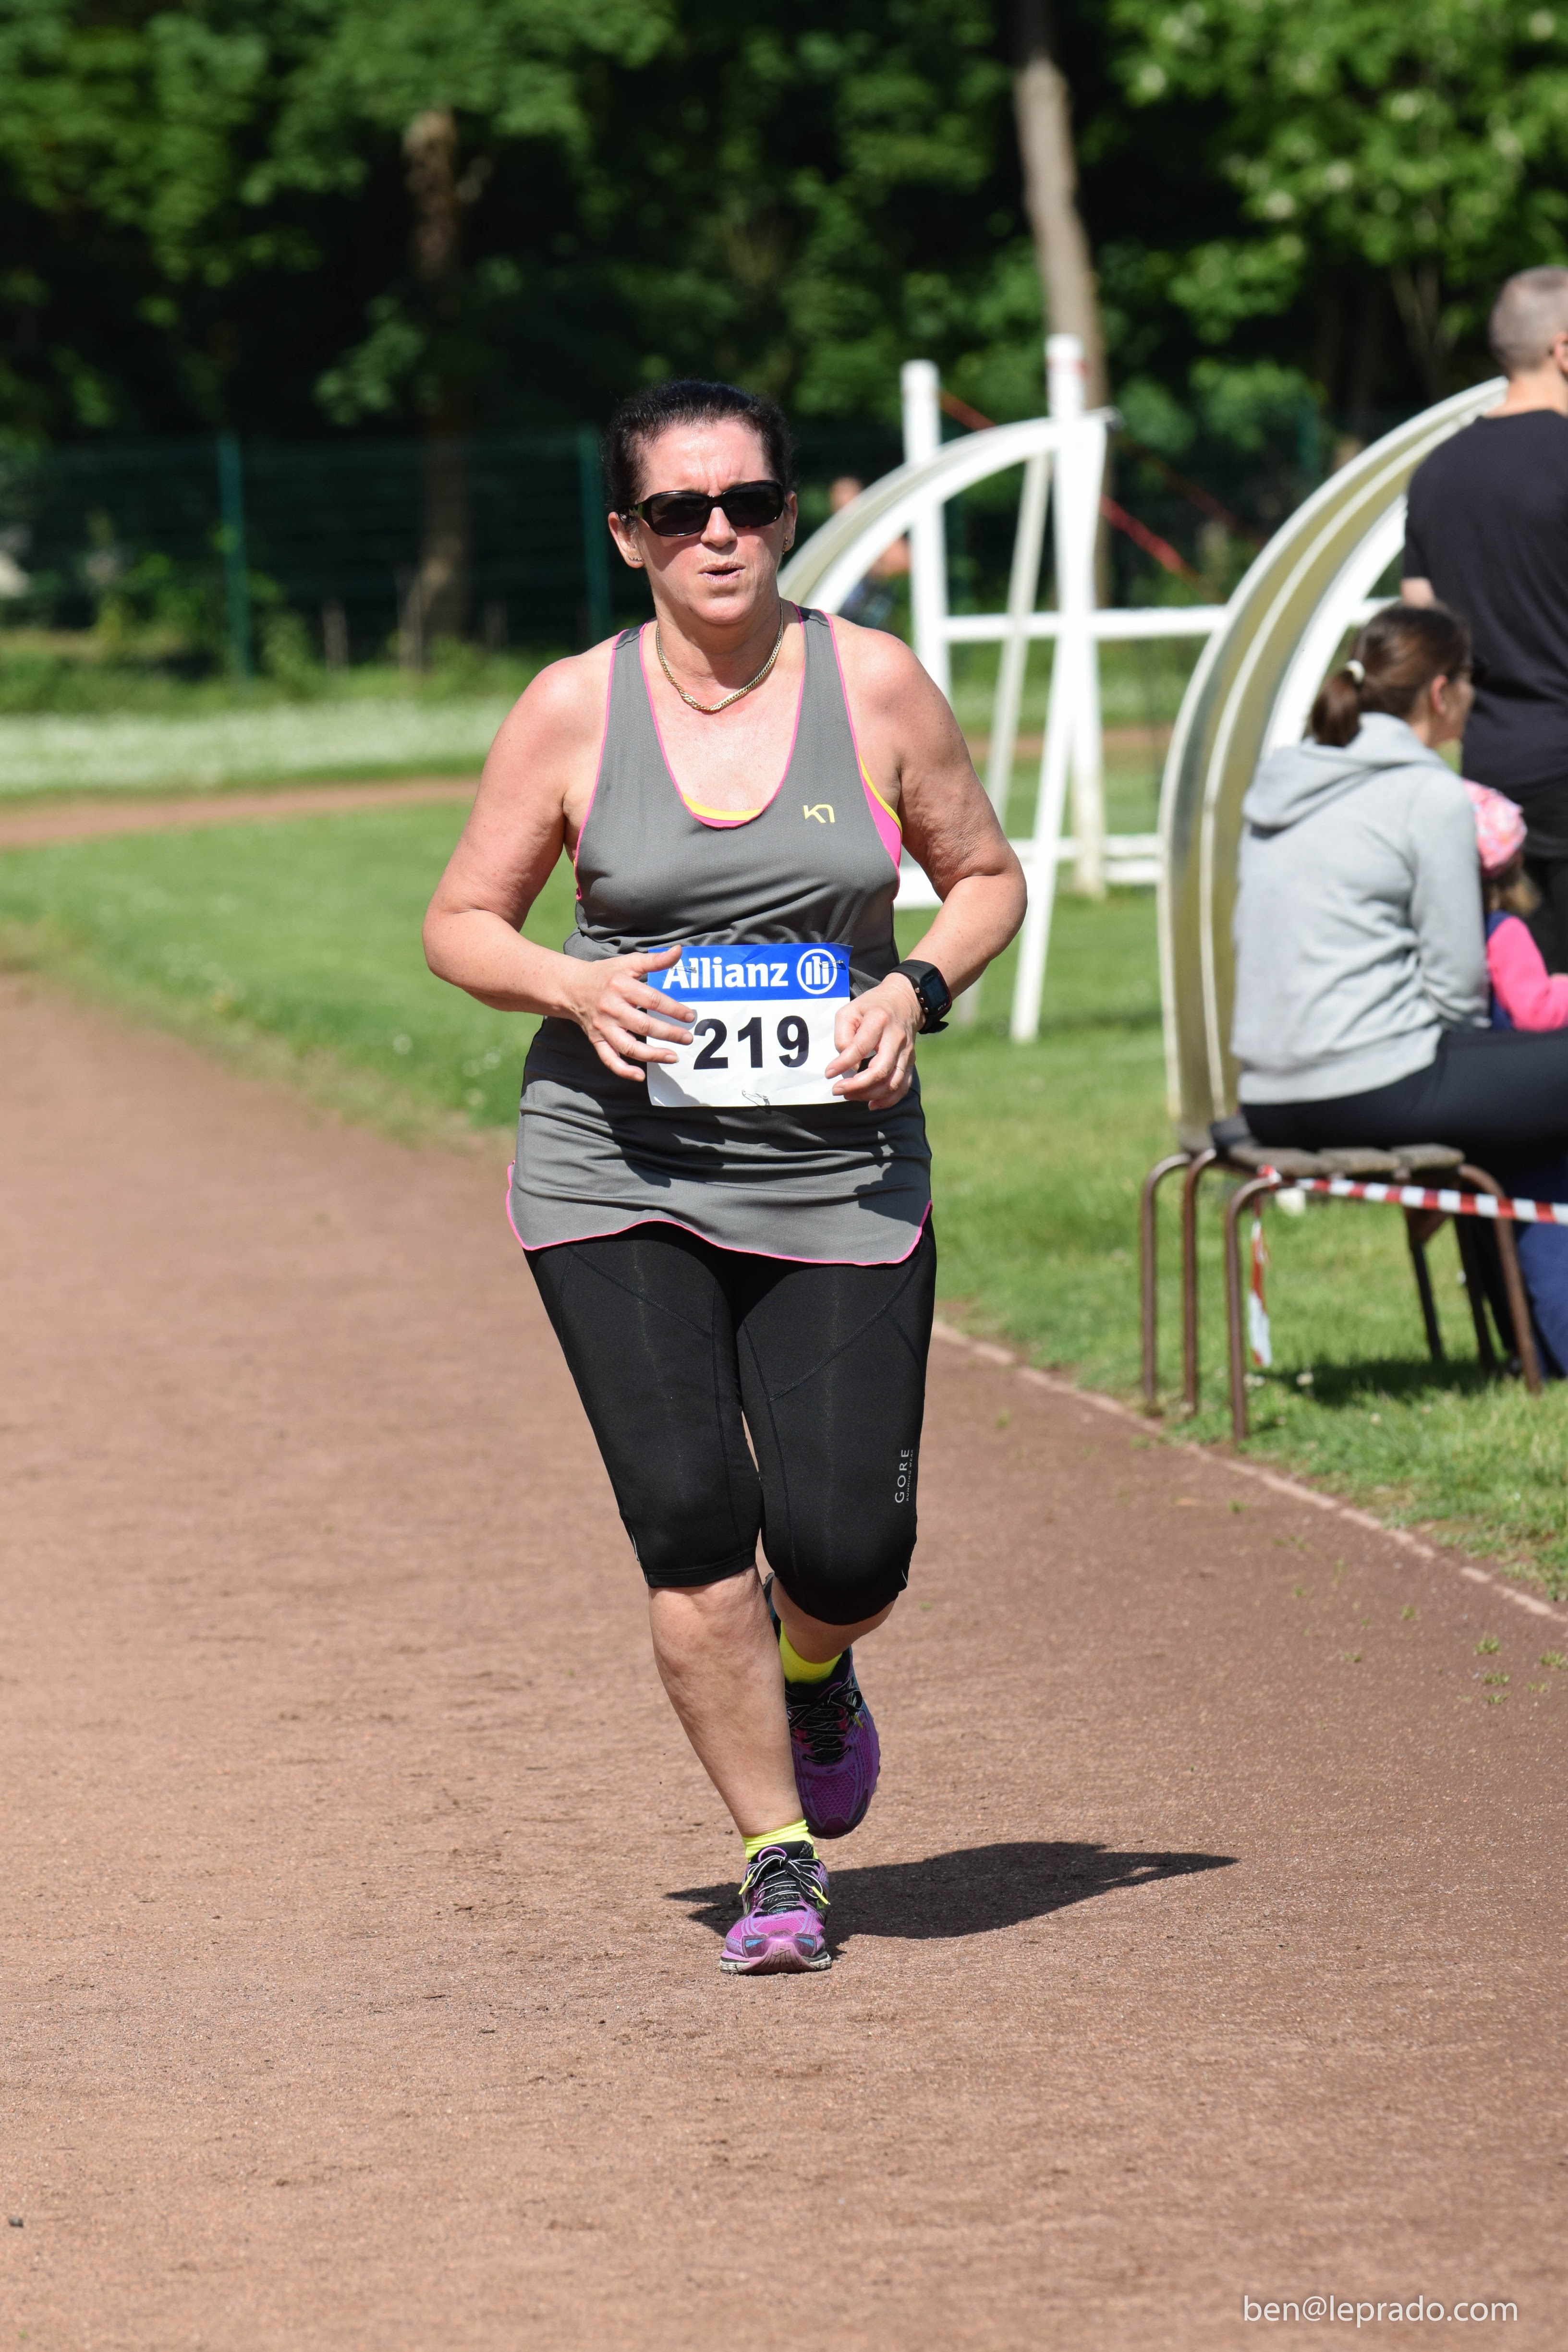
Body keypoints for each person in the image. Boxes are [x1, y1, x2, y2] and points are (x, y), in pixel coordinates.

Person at [423, 377, 1024, 1977]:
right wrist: (572, 985)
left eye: (748, 503)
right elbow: (460, 921)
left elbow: (983, 875)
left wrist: (917, 989)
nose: (719, 534)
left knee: (846, 1551)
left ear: (786, 514)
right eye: (679, 510)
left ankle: (814, 1663)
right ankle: (776, 1858)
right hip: (614, 1167)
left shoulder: (875, 685)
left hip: (836, 1174)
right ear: (628, 534)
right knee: (691, 1519)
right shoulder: (572, 707)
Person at [1231, 601, 1568, 1163]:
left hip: (1266, 1097)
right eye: (1471, 675)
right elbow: (1457, 992)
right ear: (1440, 692)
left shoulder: (1282, 783)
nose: (1475, 692)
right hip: (1376, 1087)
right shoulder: (1427, 794)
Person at [1402, 266, 1568, 963]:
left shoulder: (1435, 472)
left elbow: (1421, 624)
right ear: (1563, 349)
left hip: (1494, 778)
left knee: (1530, 991)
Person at [1464, 780, 1568, 1374]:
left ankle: (1522, 1350)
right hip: (1520, 1107)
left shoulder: (1444, 936)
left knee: (1490, 1232)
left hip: (1466, 1106)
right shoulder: (1504, 931)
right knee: (1548, 1233)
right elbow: (1534, 1011)